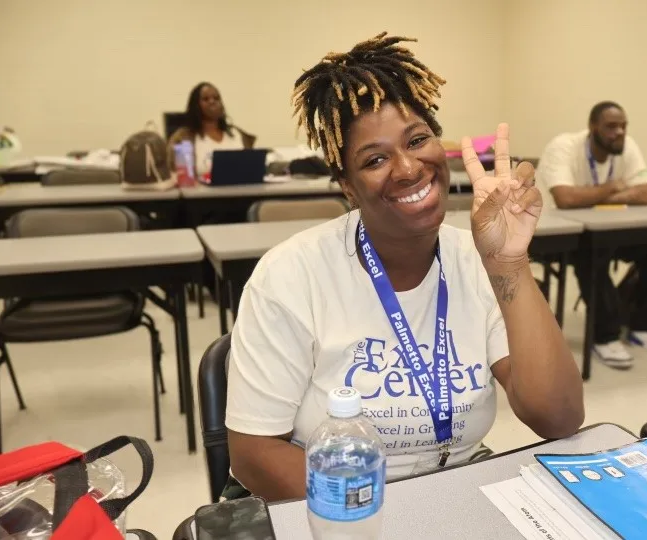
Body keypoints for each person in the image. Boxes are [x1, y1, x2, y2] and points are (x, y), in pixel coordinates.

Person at [224, 33, 584, 502]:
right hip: (335, 504)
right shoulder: (292, 274)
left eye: (417, 140)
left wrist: (508, 264)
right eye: (374, 159)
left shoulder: (476, 259)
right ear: (347, 187)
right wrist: (387, 514)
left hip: (454, 486)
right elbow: (253, 452)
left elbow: (557, 418)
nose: (408, 167)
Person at [537, 101, 647, 369]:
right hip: (556, 234)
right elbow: (566, 198)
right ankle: (605, 336)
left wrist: (595, 196)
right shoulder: (564, 147)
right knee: (593, 251)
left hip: (609, 229)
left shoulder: (627, 146)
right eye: (611, 126)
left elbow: (646, 192)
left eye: (623, 126)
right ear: (593, 127)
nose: (619, 132)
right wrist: (613, 187)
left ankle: (645, 325)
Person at [167, 82, 256, 180]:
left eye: (216, 98)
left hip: (243, 192)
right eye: (205, 99)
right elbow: (174, 175)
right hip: (200, 194)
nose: (212, 102)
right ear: (195, 105)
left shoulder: (237, 134)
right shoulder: (182, 138)